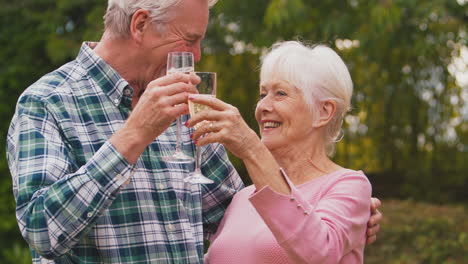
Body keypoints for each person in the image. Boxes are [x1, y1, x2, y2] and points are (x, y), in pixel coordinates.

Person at [6, 0, 381, 263]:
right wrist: (133, 135)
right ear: (139, 25)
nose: (197, 56)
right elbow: (42, 231)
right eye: (189, 39)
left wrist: (338, 214)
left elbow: (240, 215)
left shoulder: (186, 106)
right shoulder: (48, 103)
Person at [187, 41, 375, 263]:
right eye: (262, 94)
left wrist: (250, 148)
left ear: (324, 112)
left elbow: (319, 253)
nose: (263, 107)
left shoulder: (348, 186)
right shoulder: (242, 198)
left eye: (280, 94)